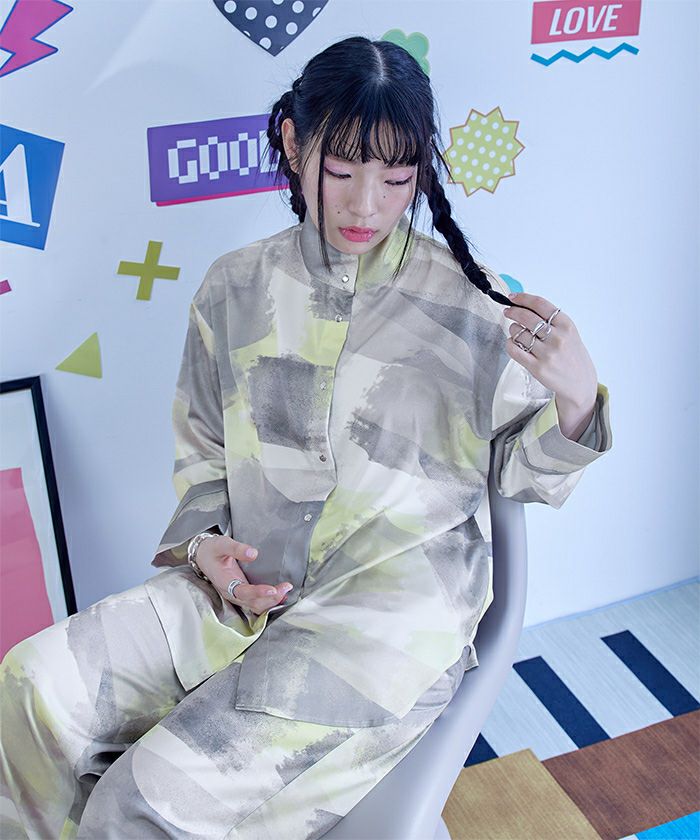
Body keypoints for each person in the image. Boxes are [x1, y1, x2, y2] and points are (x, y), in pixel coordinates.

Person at [0, 35, 613, 839]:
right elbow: (203, 450)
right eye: (342, 170)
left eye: (396, 179)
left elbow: (526, 478)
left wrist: (575, 397)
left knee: (139, 804)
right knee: (32, 687)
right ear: (294, 144)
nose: (366, 205)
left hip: (382, 630)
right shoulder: (233, 287)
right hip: (240, 596)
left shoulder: (474, 308)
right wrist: (206, 546)